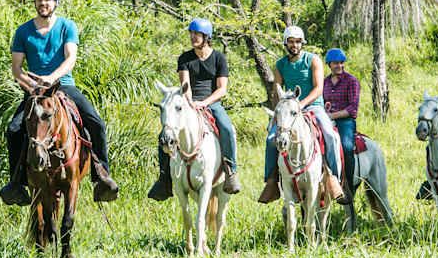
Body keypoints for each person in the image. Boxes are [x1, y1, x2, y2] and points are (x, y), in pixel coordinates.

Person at [0, 0, 119, 206]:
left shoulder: (67, 26)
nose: (43, 4)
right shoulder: (23, 31)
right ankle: (16, 184)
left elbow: (70, 58)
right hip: (35, 92)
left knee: (95, 122)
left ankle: (101, 176)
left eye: (48, 0)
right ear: (35, 3)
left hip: (63, 86)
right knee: (14, 129)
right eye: (39, 0)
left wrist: (52, 78)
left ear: (55, 3)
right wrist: (33, 87)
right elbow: (16, 69)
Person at [149, 18, 240, 201]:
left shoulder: (218, 58)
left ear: (207, 37)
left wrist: (205, 103)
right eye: (191, 34)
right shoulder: (185, 58)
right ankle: (164, 178)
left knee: (227, 128)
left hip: (212, 102)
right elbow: (185, 85)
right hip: (188, 102)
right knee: (165, 134)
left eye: (197, 34)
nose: (192, 37)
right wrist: (190, 103)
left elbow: (222, 89)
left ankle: (231, 171)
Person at [258, 25, 348, 205]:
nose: (294, 45)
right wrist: (280, 111)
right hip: (289, 111)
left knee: (330, 135)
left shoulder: (312, 60)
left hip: (312, 107)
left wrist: (301, 104)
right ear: (286, 43)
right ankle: (272, 181)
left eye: (298, 42)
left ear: (302, 43)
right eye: (291, 42)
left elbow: (318, 88)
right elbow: (277, 90)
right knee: (271, 139)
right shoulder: (281, 65)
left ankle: (333, 179)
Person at [321, 48, 359, 204]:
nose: (340, 66)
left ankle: (347, 187)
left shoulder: (352, 81)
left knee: (347, 146)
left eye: (342, 62)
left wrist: (333, 116)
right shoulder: (324, 82)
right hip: (326, 118)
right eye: (336, 63)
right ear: (329, 64)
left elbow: (353, 108)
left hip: (345, 121)